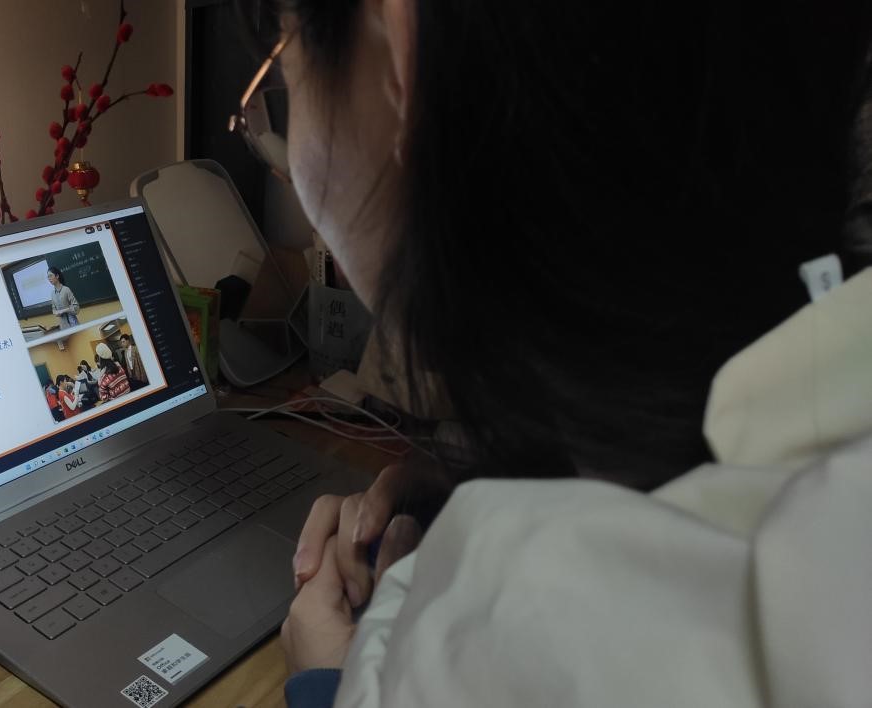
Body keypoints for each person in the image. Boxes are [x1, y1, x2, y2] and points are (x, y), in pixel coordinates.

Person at [255, 1, 872, 707]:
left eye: (285, 75)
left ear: (403, 57)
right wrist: (491, 480)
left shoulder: (496, 666)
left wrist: (325, 685)